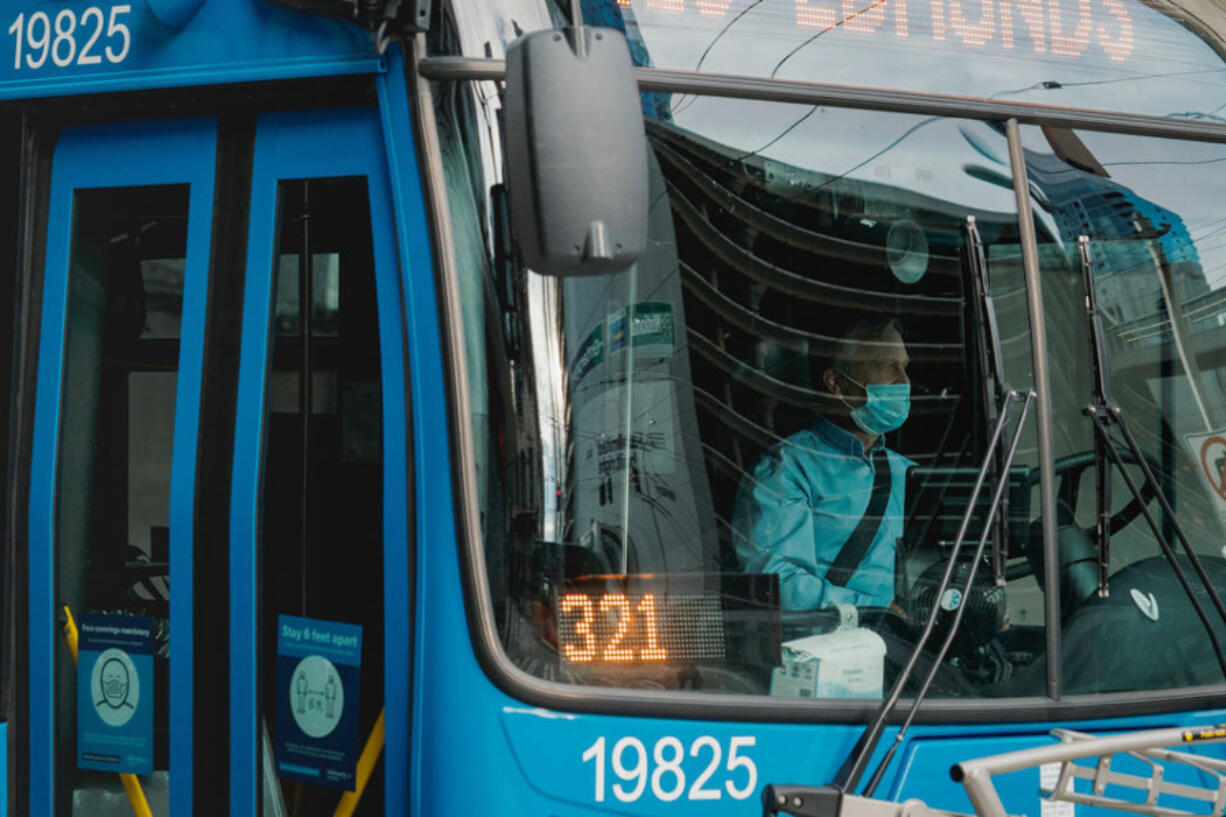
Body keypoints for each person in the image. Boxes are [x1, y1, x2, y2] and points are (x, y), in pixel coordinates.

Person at [732, 319, 914, 611]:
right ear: (836, 382)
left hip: (920, 647)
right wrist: (876, 610)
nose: (903, 381)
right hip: (832, 648)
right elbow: (780, 586)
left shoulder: (907, 472)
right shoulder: (787, 470)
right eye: (885, 365)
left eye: (904, 366)